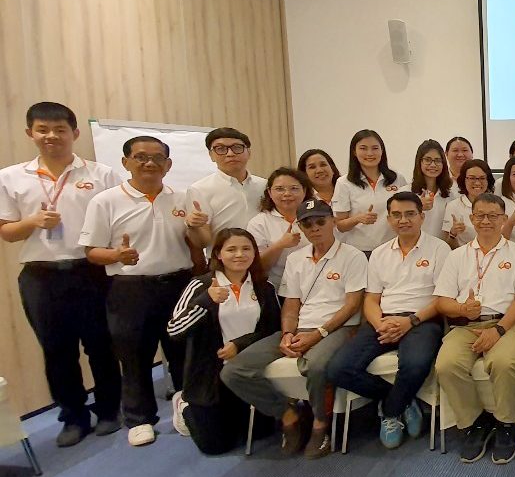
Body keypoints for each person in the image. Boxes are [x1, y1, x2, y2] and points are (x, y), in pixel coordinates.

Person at [0, 101, 122, 447]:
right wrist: (33, 221)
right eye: (43, 129)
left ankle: (109, 410)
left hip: (92, 271)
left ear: (75, 133)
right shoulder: (10, 177)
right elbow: (7, 232)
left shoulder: (101, 174)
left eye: (60, 129)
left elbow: (116, 223)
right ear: (30, 133)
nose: (51, 135)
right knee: (56, 351)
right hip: (42, 276)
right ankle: (73, 416)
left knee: (101, 345)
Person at [80, 136, 210, 447]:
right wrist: (117, 255)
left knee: (183, 352)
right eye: (140, 157)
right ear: (126, 162)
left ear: (168, 164)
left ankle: (186, 410)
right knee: (134, 355)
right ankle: (139, 419)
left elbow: (201, 243)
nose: (149, 163)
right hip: (131, 288)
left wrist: (196, 226)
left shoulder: (182, 198)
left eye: (157, 158)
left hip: (179, 284)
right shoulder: (105, 200)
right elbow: (91, 251)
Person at [220, 200, 366, 459]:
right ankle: (288, 415)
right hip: (299, 329)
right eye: (307, 223)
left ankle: (320, 423)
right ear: (300, 226)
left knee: (317, 366)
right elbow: (291, 304)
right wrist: (288, 333)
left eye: (320, 221)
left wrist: (318, 334)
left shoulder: (353, 256)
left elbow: (352, 305)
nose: (315, 228)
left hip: (337, 328)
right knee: (233, 371)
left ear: (333, 221)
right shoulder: (296, 259)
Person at [326, 192, 451, 449]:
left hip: (423, 320)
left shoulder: (440, 249)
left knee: (415, 365)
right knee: (338, 369)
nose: (403, 220)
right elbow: (371, 299)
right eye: (397, 215)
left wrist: (410, 322)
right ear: (389, 219)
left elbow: (441, 299)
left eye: (410, 214)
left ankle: (391, 412)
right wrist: (380, 324)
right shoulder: (380, 253)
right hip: (382, 320)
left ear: (422, 217)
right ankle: (400, 400)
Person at [433, 193, 515, 464]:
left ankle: (505, 425)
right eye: (480, 215)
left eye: (493, 216)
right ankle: (475, 423)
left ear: (503, 219)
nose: (486, 221)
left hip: (505, 325)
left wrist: (498, 330)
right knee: (446, 365)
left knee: (505, 362)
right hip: (465, 326)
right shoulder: (457, 256)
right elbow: (442, 301)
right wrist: (461, 309)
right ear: (472, 218)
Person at [166, 228, 280, 455]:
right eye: (231, 249)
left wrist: (240, 344)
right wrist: (206, 301)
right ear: (218, 254)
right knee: (216, 447)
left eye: (246, 249)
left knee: (262, 432)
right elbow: (174, 329)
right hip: (208, 377)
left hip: (244, 373)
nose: (239, 255)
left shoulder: (264, 287)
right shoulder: (200, 285)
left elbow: (273, 330)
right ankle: (184, 406)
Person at [334, 129, 408, 253]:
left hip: (393, 249)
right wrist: (358, 218)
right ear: (354, 152)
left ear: (382, 151)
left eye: (375, 148)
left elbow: (407, 209)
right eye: (363, 148)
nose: (370, 153)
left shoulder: (397, 178)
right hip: (360, 251)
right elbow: (340, 226)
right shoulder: (344, 183)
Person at [188, 127, 267, 237]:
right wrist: (194, 226)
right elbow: (202, 241)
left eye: (237, 147)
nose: (230, 154)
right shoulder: (199, 189)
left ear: (249, 152)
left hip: (265, 248)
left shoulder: (265, 185)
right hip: (221, 248)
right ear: (211, 155)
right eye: (220, 149)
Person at [246, 168, 313, 288]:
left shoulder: (317, 218)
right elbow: (257, 267)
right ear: (269, 192)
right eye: (279, 189)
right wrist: (280, 245)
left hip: (316, 284)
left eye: (294, 188)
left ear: (304, 191)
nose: (287, 194)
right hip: (276, 287)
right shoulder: (259, 223)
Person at [443, 159, 511, 249]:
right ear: (464, 180)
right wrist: (453, 234)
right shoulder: (453, 206)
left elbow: (505, 239)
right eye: (472, 178)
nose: (477, 182)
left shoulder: (499, 204)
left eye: (482, 178)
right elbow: (448, 245)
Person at [410, 139, 454, 238]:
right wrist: (417, 208)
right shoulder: (406, 193)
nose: (433, 165)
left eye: (438, 160)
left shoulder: (451, 195)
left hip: (442, 246)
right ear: (419, 162)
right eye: (427, 160)